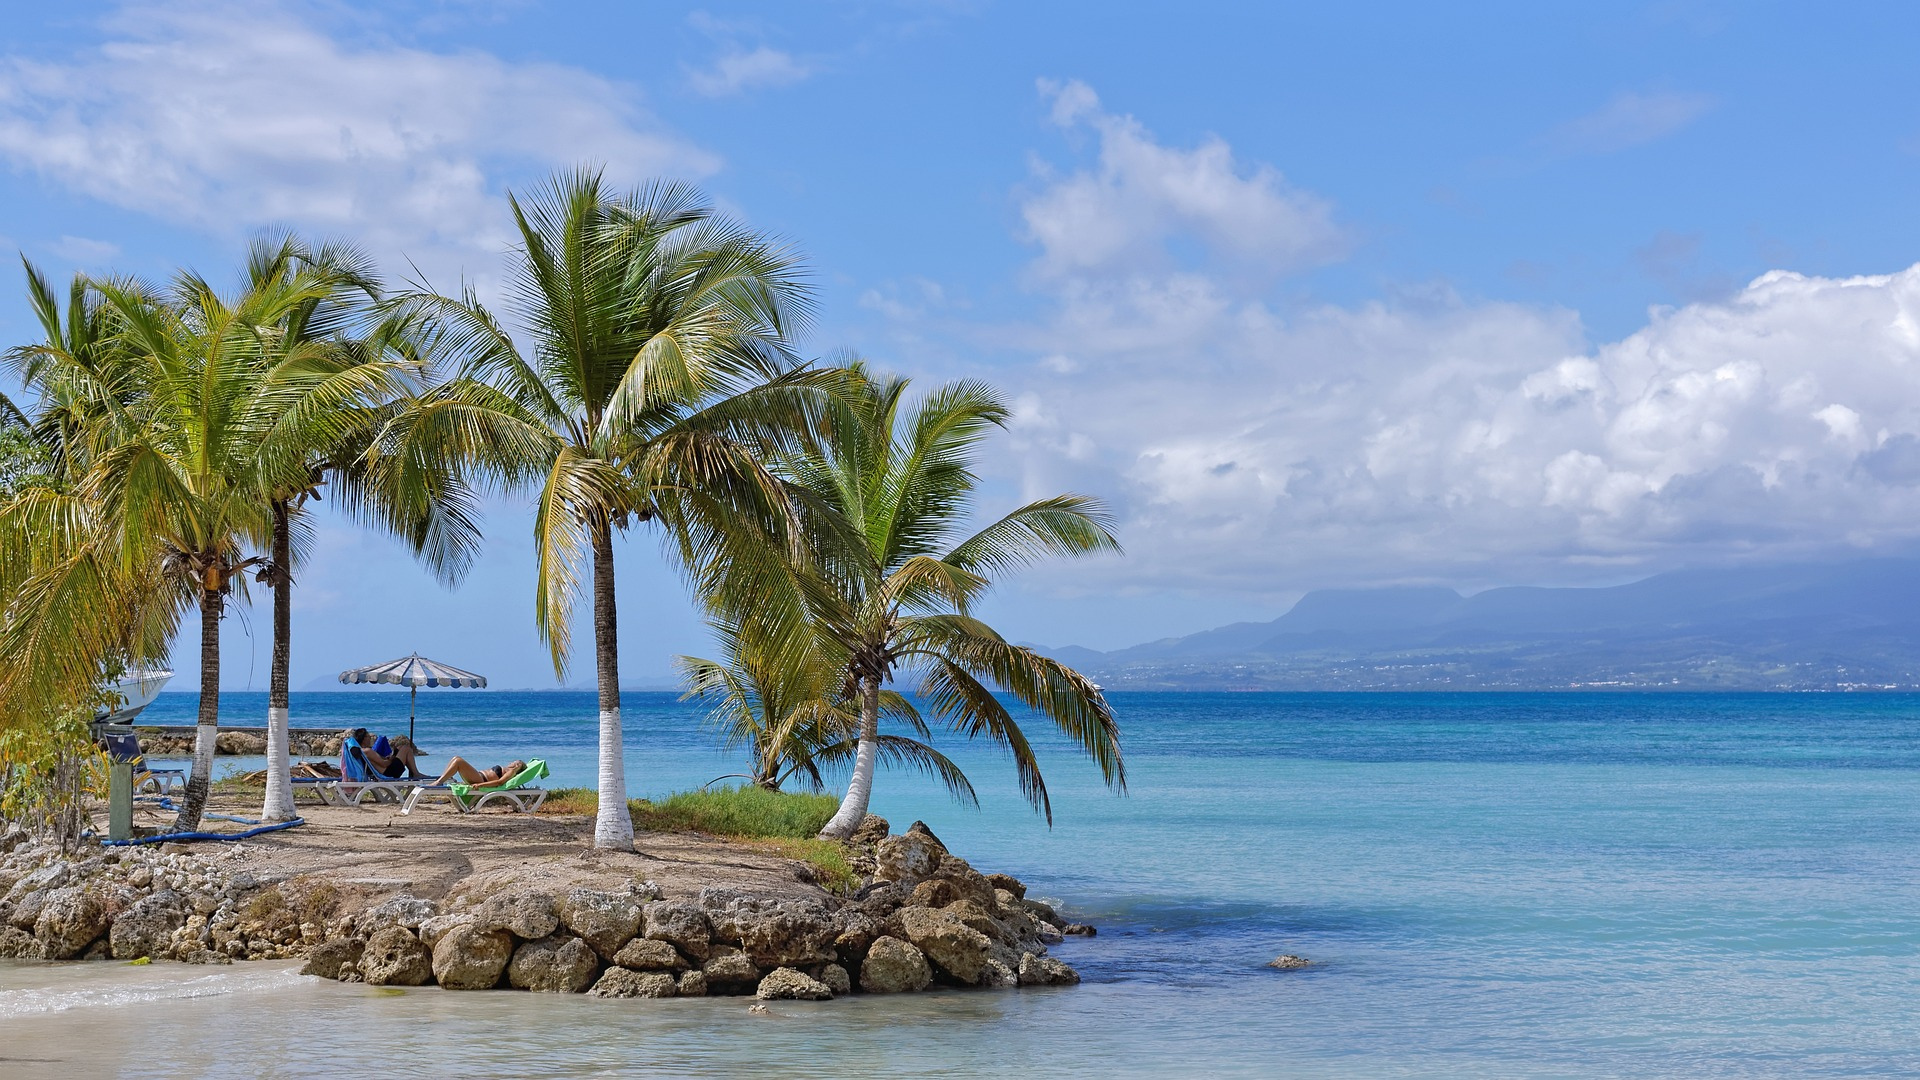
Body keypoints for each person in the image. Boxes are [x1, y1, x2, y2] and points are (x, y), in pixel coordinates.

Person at [353, 729, 428, 780]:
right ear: (363, 738)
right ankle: (415, 773)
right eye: (368, 736)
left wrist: (389, 757)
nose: (370, 738)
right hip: (389, 772)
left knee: (400, 748)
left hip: (385, 772)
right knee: (406, 748)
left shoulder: (362, 751)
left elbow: (379, 762)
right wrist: (392, 758)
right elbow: (384, 764)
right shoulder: (367, 751)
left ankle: (414, 773)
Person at [432, 757, 526, 789]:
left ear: (518, 766)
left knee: (458, 761)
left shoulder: (511, 772)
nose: (512, 762)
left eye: (515, 762)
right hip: (478, 776)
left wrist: (480, 784)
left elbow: (499, 782)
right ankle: (441, 779)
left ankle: (439, 782)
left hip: (480, 780)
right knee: (455, 759)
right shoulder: (507, 769)